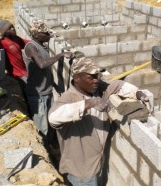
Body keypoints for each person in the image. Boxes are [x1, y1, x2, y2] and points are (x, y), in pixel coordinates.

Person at [48, 57, 151, 186]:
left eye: (97, 75)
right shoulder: (69, 98)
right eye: (91, 77)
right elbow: (53, 117)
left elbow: (118, 85)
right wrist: (88, 103)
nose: (96, 80)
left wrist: (138, 93)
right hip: (82, 173)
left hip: (98, 162)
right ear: (77, 78)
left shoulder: (97, 89)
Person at [22, 20, 71, 140]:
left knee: (51, 122)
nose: (48, 35)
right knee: (42, 127)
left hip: (47, 92)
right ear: (36, 34)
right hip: (38, 95)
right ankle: (47, 151)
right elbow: (42, 64)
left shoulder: (42, 46)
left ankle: (53, 147)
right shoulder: (31, 47)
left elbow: (44, 69)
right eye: (45, 33)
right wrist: (60, 55)